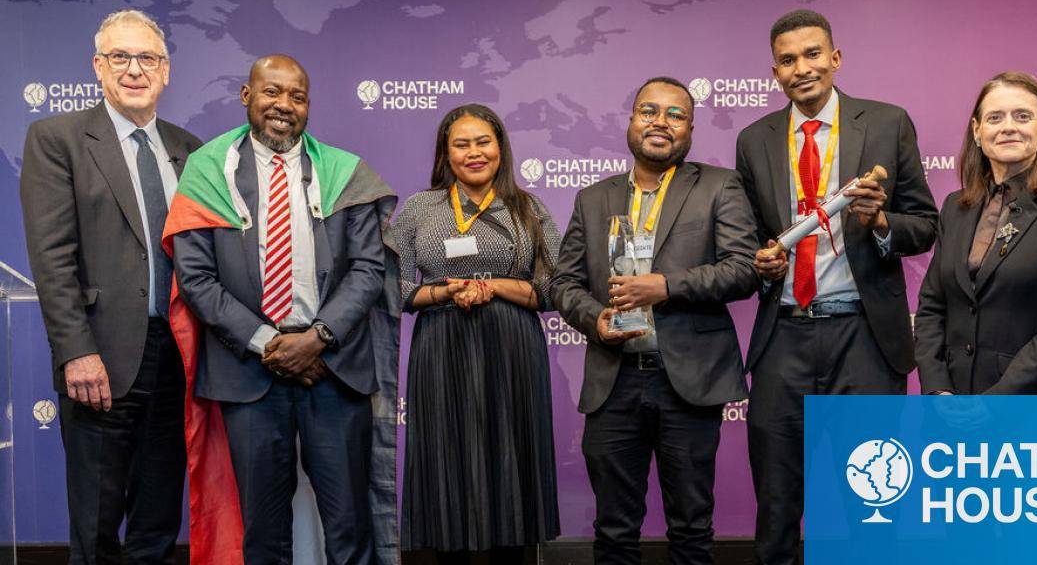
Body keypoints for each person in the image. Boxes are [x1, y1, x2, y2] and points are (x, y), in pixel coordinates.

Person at [166, 54, 397, 564]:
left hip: (332, 371)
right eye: (272, 92)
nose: (284, 106)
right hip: (248, 373)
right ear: (247, 96)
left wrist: (316, 338)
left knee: (349, 528)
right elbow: (197, 280)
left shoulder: (344, 172)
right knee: (263, 534)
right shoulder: (207, 172)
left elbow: (366, 270)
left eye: (297, 96)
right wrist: (270, 343)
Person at [735, 9, 938, 564]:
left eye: (813, 54)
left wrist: (879, 224)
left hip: (865, 339)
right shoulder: (754, 140)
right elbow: (753, 237)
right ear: (774, 71)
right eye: (787, 59)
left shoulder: (888, 123)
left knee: (872, 501)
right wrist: (763, 264)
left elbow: (924, 225)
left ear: (835, 58)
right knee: (776, 505)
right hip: (784, 336)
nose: (802, 68)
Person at [19, 9, 202, 565]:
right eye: (119, 57)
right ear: (97, 66)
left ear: (166, 71)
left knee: (157, 521)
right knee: (96, 528)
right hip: (100, 360)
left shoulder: (189, 147)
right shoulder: (58, 139)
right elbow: (52, 258)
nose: (134, 69)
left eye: (147, 58)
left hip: (177, 358)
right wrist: (77, 353)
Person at [551, 77, 759, 565]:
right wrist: (594, 317)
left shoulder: (718, 185)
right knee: (614, 531)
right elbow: (563, 283)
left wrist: (666, 285)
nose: (660, 122)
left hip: (686, 380)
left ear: (690, 129)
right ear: (631, 121)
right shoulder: (593, 197)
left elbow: (743, 269)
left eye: (675, 114)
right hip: (613, 379)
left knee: (690, 529)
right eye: (649, 111)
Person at [394, 104, 562, 562]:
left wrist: (492, 286)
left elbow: (553, 287)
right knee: (447, 470)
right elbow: (398, 288)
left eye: (483, 142)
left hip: (512, 350)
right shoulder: (417, 209)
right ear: (445, 153)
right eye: (461, 144)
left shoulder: (527, 207)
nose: (474, 153)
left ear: (500, 148)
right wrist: (446, 292)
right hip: (441, 350)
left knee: (511, 467)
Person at [916, 71, 1037, 395]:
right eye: (995, 117)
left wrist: (993, 403)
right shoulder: (955, 207)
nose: (1008, 127)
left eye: (1022, 116)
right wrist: (937, 390)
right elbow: (932, 307)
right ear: (977, 131)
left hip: (1031, 406)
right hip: (953, 406)